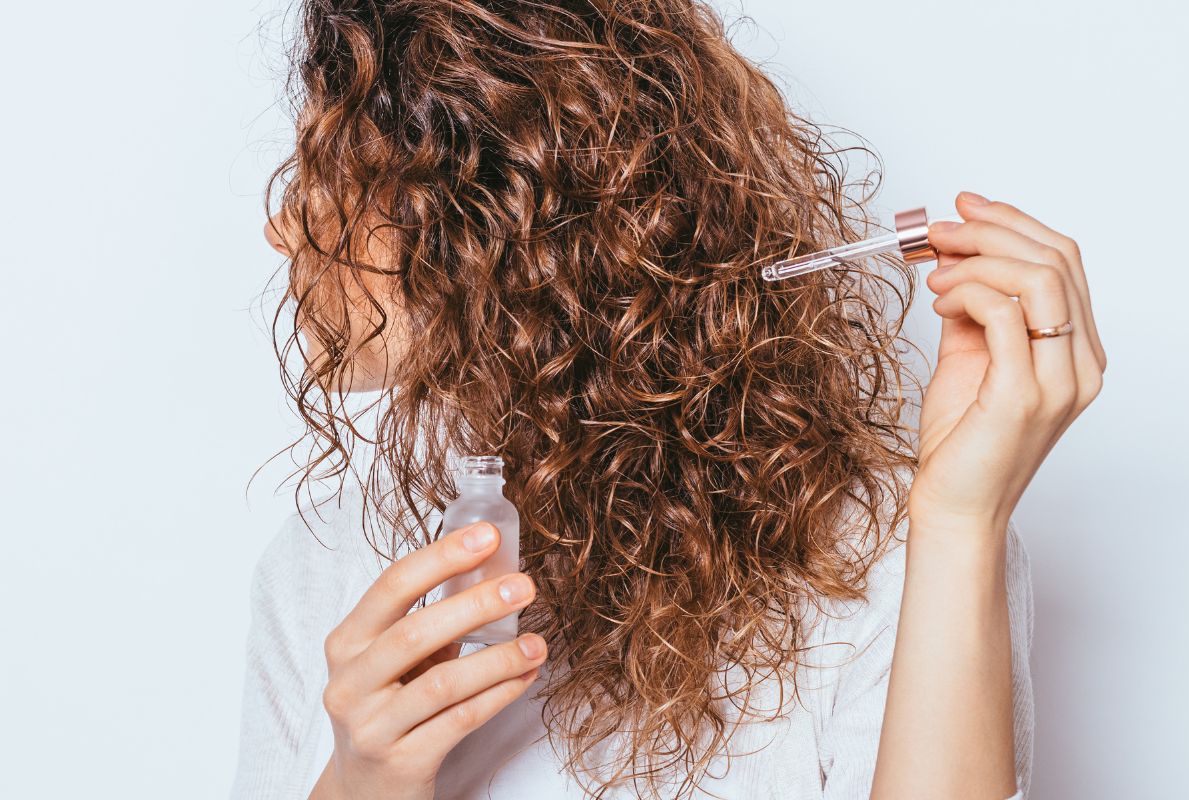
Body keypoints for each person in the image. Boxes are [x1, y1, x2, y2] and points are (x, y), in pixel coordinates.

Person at [231, 2, 1105, 798]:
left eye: (336, 175)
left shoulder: (888, 550)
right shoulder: (327, 559)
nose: (283, 226)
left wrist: (958, 524)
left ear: (500, 220)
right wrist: (361, 782)